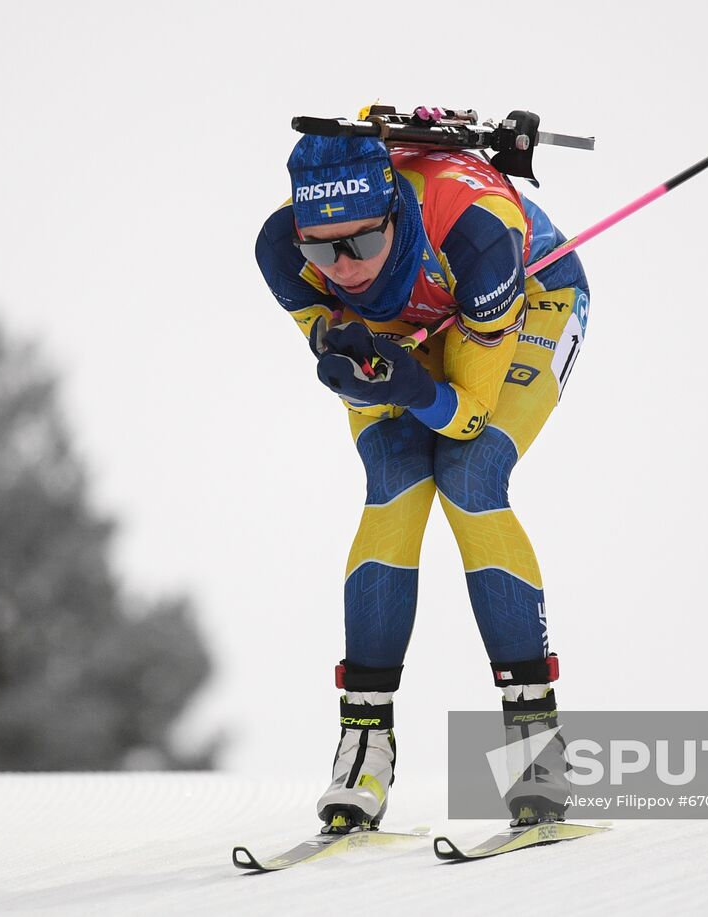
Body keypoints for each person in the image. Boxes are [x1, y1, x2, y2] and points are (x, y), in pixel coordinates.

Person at [255, 128, 590, 833]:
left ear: (393, 219)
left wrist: (416, 387)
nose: (341, 267)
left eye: (361, 246)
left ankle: (536, 746)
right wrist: (347, 367)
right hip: (419, 319)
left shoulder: (477, 238)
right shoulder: (281, 249)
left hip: (522, 297)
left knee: (470, 475)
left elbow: (466, 417)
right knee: (396, 478)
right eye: (323, 247)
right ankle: (365, 745)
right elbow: (340, 356)